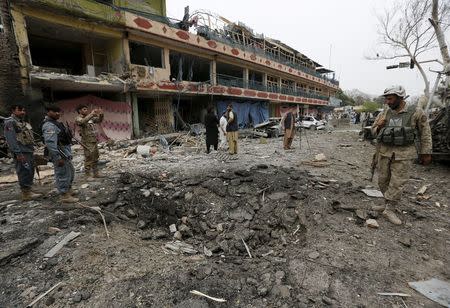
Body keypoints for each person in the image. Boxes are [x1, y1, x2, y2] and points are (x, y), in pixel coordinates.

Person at [371, 85, 432, 225]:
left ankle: (390, 209)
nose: (387, 102)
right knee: (382, 180)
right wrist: (379, 126)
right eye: (386, 99)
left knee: (397, 183)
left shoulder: (416, 112)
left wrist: (426, 152)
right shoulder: (384, 112)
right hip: (385, 152)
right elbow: (373, 132)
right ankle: (386, 204)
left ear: (400, 98)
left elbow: (425, 133)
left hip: (404, 154)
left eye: (390, 99)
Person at [4, 104, 42, 201]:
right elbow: (11, 140)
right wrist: (18, 153)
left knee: (30, 170)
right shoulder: (10, 122)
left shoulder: (21, 122)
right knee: (24, 171)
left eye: (24, 110)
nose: (23, 112)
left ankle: (28, 190)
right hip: (21, 152)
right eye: (20, 110)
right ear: (13, 110)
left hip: (28, 150)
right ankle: (26, 194)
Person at [42, 105, 79, 203]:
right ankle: (64, 195)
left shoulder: (56, 123)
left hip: (64, 151)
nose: (58, 113)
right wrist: (57, 157)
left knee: (70, 171)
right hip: (59, 153)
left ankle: (68, 189)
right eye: (55, 111)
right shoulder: (49, 125)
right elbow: (50, 143)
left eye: (58, 111)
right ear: (48, 112)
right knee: (62, 173)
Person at [75, 105, 104, 178]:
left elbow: (98, 120)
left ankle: (96, 173)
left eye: (86, 109)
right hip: (87, 141)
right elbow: (82, 122)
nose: (86, 110)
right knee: (89, 157)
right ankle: (87, 175)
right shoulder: (78, 118)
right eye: (84, 109)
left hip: (93, 140)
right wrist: (91, 114)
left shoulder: (90, 118)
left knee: (95, 156)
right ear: (79, 111)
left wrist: (101, 114)